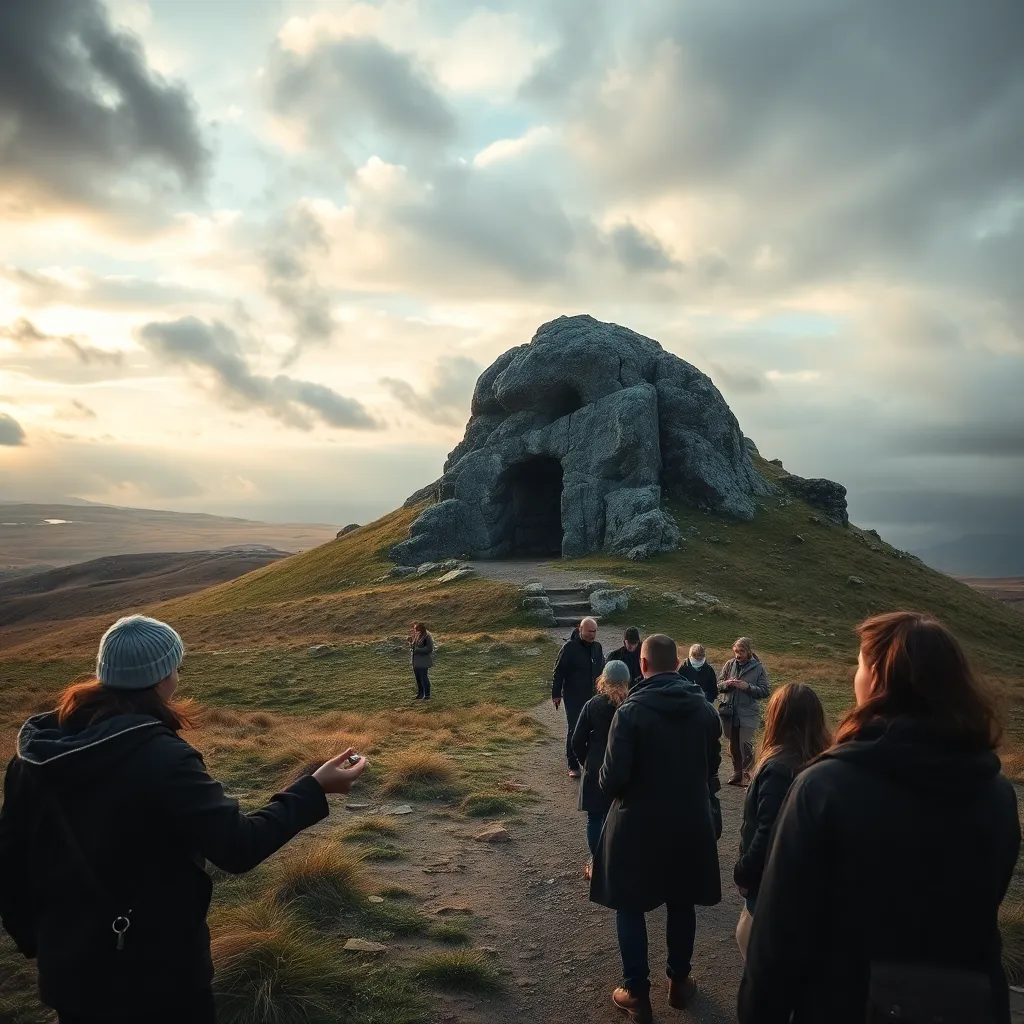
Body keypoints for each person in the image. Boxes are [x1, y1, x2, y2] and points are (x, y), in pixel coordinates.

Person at [0, 614, 368, 1024]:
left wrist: (42, 945)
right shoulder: (162, 757)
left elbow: (11, 862)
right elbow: (238, 846)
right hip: (158, 974)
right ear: (161, 678)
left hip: (68, 971)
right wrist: (314, 788)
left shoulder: (34, 755)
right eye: (176, 666)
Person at [738, 612, 1021, 1024]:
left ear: (877, 681)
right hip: (965, 1006)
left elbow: (778, 937)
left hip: (847, 1004)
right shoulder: (995, 793)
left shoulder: (825, 788)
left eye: (860, 663)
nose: (856, 674)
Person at [590, 634, 723, 1022]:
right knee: (682, 900)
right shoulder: (705, 711)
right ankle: (679, 983)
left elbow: (611, 781)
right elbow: (712, 771)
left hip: (637, 826)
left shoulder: (629, 713)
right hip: (690, 822)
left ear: (642, 665)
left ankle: (636, 993)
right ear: (679, 664)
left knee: (629, 905)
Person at [733, 683, 830, 961]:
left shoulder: (778, 767)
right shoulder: (823, 759)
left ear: (778, 717)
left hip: (772, 882)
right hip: (807, 878)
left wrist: (744, 871)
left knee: (752, 942)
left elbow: (768, 830)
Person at [571, 660, 631, 880]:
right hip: (623, 769)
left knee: (595, 818)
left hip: (596, 768)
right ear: (626, 682)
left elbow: (577, 740)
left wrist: (587, 761)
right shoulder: (632, 706)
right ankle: (616, 860)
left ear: (603, 680)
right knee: (618, 817)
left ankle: (596, 861)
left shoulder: (592, 705)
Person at [552, 616, 604, 778]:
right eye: (589, 631)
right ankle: (572, 764)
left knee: (593, 728)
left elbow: (601, 669)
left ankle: (589, 762)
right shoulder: (569, 648)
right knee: (575, 728)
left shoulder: (597, 647)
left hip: (593, 696)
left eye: (594, 631)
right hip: (573, 696)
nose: (592, 635)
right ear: (580, 629)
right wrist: (556, 694)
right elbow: (559, 671)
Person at [717, 637, 770, 785]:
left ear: (748, 651)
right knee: (733, 743)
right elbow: (718, 684)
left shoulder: (758, 668)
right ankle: (737, 773)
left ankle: (748, 775)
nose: (738, 655)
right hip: (729, 711)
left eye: (741, 651)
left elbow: (765, 691)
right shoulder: (729, 664)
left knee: (745, 743)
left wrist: (747, 687)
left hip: (747, 713)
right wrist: (727, 684)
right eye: (735, 651)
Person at [409, 621, 434, 700]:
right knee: (418, 678)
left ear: (421, 628)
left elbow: (430, 649)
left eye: (417, 629)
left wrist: (418, 650)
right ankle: (420, 694)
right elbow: (414, 646)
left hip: (423, 661)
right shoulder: (418, 634)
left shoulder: (427, 636)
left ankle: (427, 695)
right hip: (416, 661)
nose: (415, 630)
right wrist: (410, 642)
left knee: (424, 678)